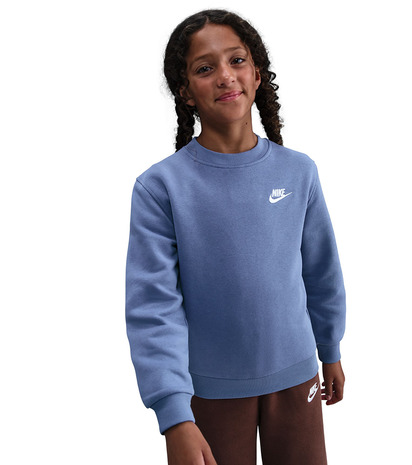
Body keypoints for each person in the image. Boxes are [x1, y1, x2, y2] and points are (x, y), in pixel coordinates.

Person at [125, 9, 346, 465]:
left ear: (257, 74)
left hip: (297, 378)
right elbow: (153, 308)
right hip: (209, 391)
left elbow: (320, 270)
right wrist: (174, 415)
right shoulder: (161, 187)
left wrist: (330, 349)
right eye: (205, 68)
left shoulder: (299, 171)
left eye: (237, 60)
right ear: (185, 91)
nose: (225, 76)